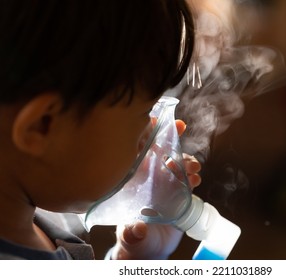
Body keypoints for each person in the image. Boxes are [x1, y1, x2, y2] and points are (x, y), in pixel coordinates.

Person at [0, 0, 202, 260]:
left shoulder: (33, 225)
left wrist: (132, 262)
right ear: (43, 125)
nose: (148, 137)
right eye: (143, 114)